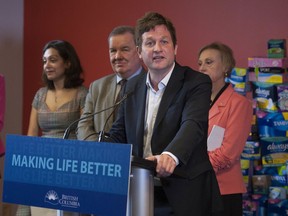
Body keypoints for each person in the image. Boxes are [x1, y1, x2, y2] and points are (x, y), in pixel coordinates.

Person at [108, 12, 222, 216]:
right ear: (139, 52)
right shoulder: (131, 87)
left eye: (164, 42)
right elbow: (119, 133)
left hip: (184, 193)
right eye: (149, 43)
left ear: (175, 48)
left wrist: (171, 155)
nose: (157, 49)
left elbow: (193, 124)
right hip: (140, 190)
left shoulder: (196, 82)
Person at [24, 40, 88, 216]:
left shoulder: (82, 93)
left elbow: (85, 132)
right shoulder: (40, 94)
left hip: (71, 164)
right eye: (44, 61)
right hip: (42, 163)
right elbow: (31, 134)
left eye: (53, 60)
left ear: (67, 63)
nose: (47, 65)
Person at [198, 42, 253, 216]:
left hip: (224, 191)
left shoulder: (239, 104)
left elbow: (228, 154)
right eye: (200, 63)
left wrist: (193, 168)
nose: (202, 68)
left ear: (226, 67)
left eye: (209, 62)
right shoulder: (196, 102)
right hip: (196, 188)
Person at [76, 25, 146, 141]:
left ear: (139, 51)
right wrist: (102, 150)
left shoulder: (152, 85)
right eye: (113, 51)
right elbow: (83, 126)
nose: (117, 56)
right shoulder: (97, 87)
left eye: (125, 49)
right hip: (100, 156)